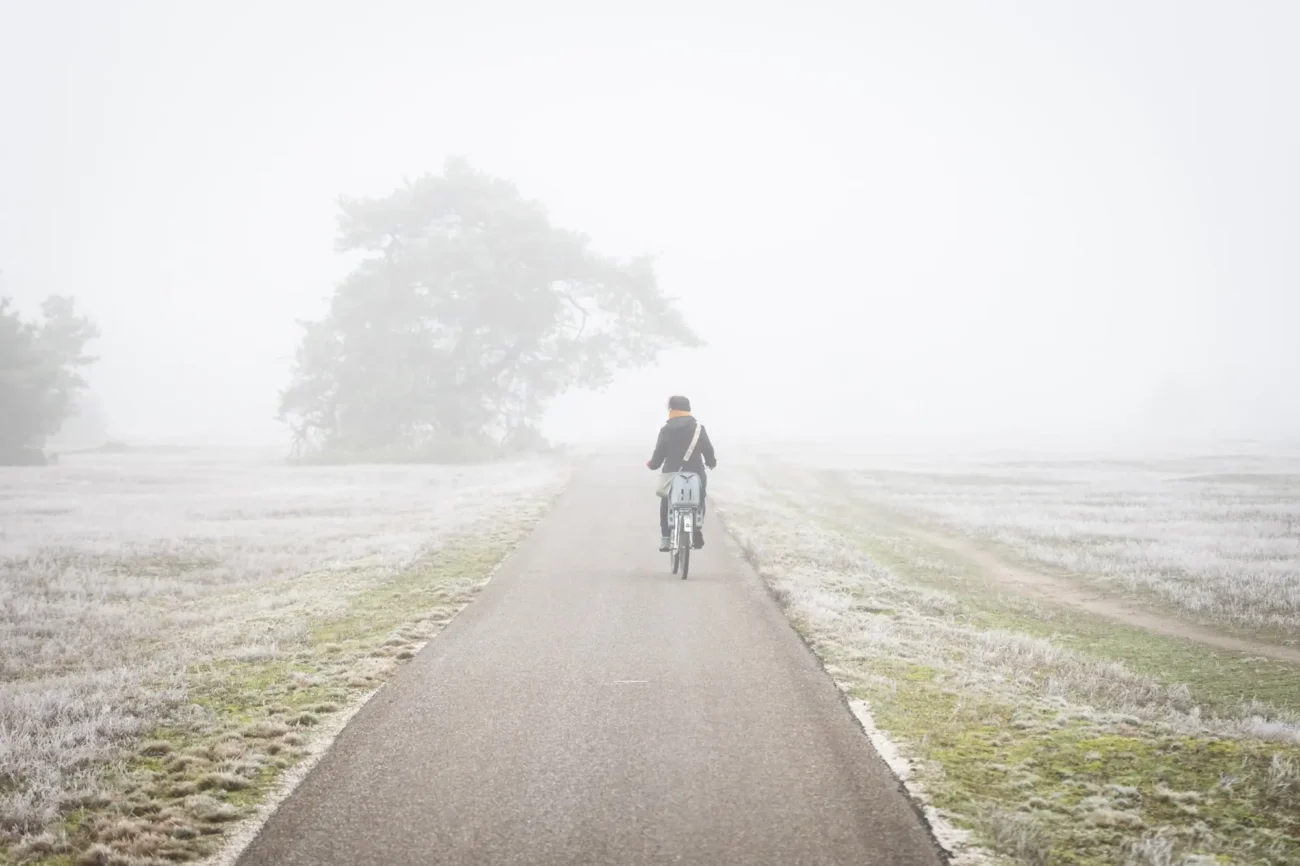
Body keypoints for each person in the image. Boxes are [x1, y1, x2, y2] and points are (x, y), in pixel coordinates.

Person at [647, 395, 716, 551]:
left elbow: (658, 454)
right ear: (688, 409)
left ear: (671, 410)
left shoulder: (666, 430)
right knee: (699, 497)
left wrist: (653, 464)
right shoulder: (698, 428)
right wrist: (711, 463)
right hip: (695, 472)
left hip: (671, 473)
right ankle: (697, 530)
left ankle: (665, 538)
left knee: (666, 500)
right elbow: (708, 450)